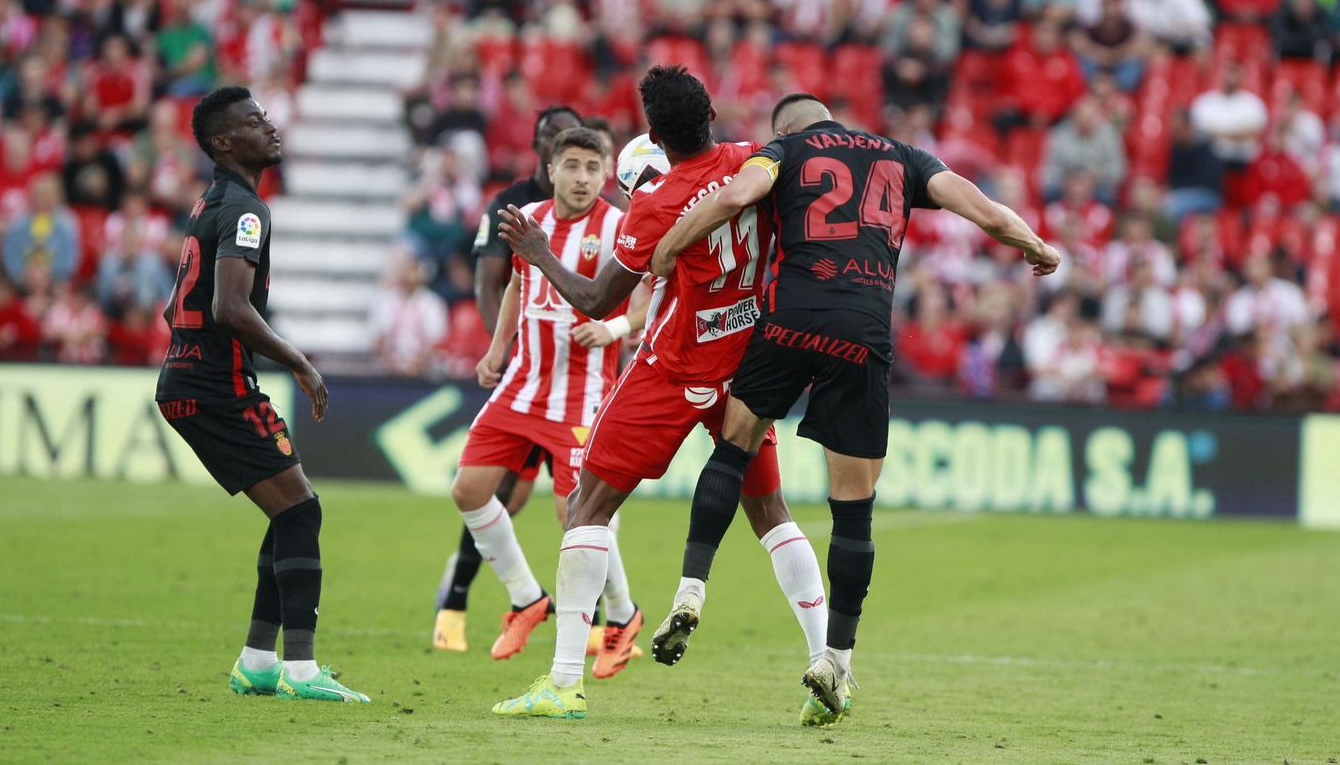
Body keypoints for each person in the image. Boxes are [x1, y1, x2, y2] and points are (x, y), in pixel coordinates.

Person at [645, 92, 1059, 725]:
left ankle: (691, 587)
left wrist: (670, 246)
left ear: (785, 127)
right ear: (834, 119)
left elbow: (730, 199)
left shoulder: (782, 150)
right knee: (853, 509)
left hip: (788, 321)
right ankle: (835, 660)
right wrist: (1035, 246)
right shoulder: (903, 156)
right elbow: (980, 207)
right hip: (861, 333)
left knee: (733, 448)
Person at [488, 67, 828, 721]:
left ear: (653, 134)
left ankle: (562, 682)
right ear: (713, 114)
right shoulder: (758, 161)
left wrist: (537, 251)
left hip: (672, 370)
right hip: (745, 373)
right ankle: (828, 662)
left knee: (588, 506)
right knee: (771, 512)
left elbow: (596, 297)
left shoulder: (655, 203)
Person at [154, 86, 367, 703]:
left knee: (290, 510)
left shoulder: (209, 203)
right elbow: (227, 305)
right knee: (300, 511)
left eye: (266, 117)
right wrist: (300, 361)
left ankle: (256, 661)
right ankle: (298, 669)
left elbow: (175, 308)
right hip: (214, 387)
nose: (270, 128)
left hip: (195, 379)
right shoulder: (246, 209)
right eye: (254, 122)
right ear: (224, 142)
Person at [448, 127, 650, 678]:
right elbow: (516, 285)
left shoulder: (618, 225)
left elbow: (646, 305)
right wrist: (496, 349)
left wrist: (611, 330)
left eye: (593, 168)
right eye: (573, 166)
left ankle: (623, 614)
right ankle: (526, 597)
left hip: (584, 396)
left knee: (575, 516)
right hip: (522, 383)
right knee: (467, 491)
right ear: (553, 169)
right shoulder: (527, 218)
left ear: (607, 174)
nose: (583, 178)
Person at [431, 104, 583, 652]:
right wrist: (508, 344)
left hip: (581, 385)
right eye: (551, 138)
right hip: (526, 375)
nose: (559, 146)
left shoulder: (605, 217)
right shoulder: (510, 205)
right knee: (497, 496)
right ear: (541, 146)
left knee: (579, 511)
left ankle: (610, 620)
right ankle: (455, 604)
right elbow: (494, 282)